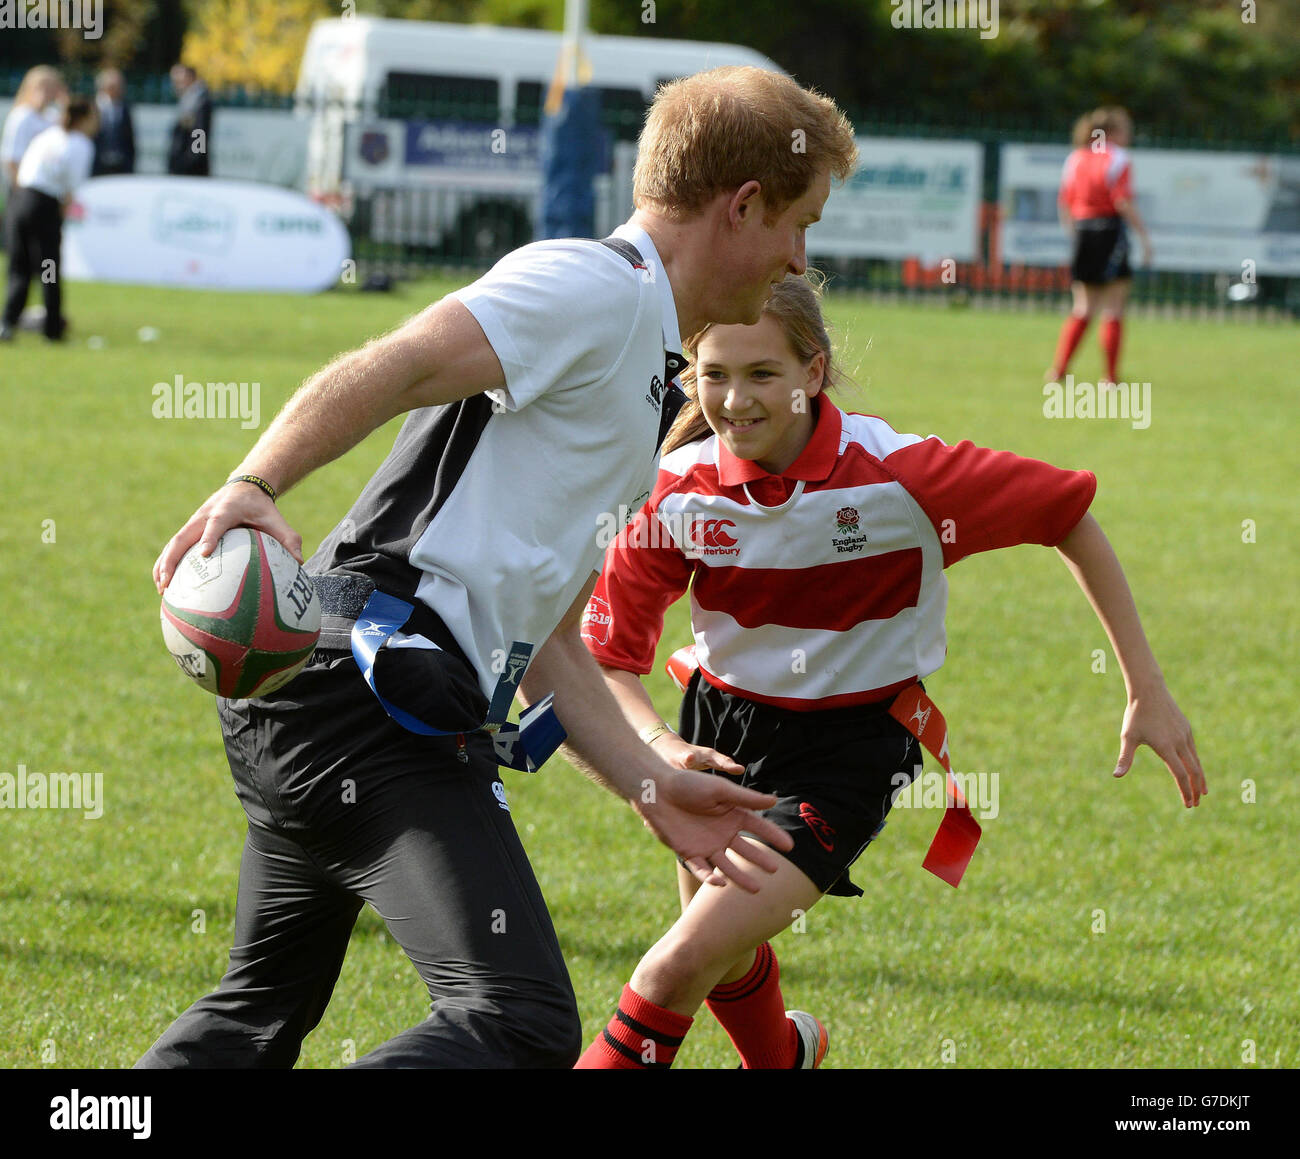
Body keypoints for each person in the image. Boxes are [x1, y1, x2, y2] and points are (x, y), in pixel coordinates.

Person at [139, 66, 859, 1069]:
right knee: (515, 1024)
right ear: (743, 207)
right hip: (376, 688)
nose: (799, 254)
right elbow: (406, 359)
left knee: (258, 1010)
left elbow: (551, 641)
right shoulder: (597, 287)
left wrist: (651, 783)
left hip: (340, 690)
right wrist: (257, 480)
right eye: (801, 223)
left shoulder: (648, 359)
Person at [574, 274, 1206, 1069]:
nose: (734, 399)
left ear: (814, 370)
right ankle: (788, 1055)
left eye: (762, 373)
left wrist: (1144, 684)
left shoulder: (904, 479)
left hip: (848, 752)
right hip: (715, 739)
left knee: (671, 968)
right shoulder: (677, 488)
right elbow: (606, 657)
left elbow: (1066, 511)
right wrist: (660, 748)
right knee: (719, 957)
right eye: (715, 374)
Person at [1047, 106, 1153, 387]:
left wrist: (1075, 235)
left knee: (1082, 306)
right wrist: (1143, 236)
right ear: (1112, 132)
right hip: (1110, 231)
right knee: (1114, 307)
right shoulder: (1118, 158)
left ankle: (1058, 370)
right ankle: (1110, 378)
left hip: (1083, 231)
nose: (1128, 135)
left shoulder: (1075, 158)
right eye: (1125, 129)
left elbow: (1064, 203)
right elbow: (1122, 201)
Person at [1, 97, 98, 343]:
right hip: (44, 206)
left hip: (19, 200)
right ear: (83, 118)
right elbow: (71, 187)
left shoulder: (47, 135)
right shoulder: (81, 144)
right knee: (49, 268)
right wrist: (59, 214)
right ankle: (52, 328)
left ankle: (7, 323)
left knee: (19, 267)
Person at [1, 66, 66, 188]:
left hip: (47, 188)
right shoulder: (21, 116)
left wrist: (64, 102)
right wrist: (22, 190)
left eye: (51, 88)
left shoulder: (52, 116)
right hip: (25, 187)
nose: (47, 92)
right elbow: (11, 160)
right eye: (43, 87)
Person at [167, 64, 212, 177]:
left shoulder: (200, 102)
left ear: (189, 78)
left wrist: (191, 161)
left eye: (179, 80)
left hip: (191, 169)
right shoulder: (187, 100)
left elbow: (200, 133)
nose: (176, 84)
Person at [91, 67, 135, 177]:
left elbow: (129, 140)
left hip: (120, 166)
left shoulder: (125, 108)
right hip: (97, 166)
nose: (120, 89)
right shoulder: (92, 107)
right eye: (115, 86)